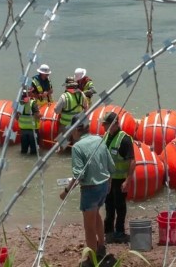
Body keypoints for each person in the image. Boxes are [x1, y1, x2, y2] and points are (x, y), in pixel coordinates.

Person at [59, 115, 115, 267]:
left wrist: (65, 191)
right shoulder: (99, 139)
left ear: (77, 129)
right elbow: (111, 165)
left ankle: (92, 258)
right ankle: (101, 246)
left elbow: (79, 175)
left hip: (90, 189)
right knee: (96, 215)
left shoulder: (77, 147)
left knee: (89, 227)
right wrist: (108, 181)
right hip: (104, 186)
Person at [102, 112, 136, 244]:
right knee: (108, 205)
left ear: (115, 124)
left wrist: (128, 180)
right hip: (108, 179)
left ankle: (120, 231)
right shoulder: (106, 136)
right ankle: (108, 230)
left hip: (120, 179)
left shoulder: (125, 139)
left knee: (120, 207)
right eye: (104, 124)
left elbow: (132, 161)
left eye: (107, 124)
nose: (104, 127)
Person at [16, 89, 40, 155]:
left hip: (23, 130)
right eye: (31, 92)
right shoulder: (32, 103)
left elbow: (16, 117)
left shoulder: (18, 103)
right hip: (33, 130)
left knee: (24, 150)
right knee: (34, 152)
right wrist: (41, 115)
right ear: (29, 94)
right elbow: (37, 116)